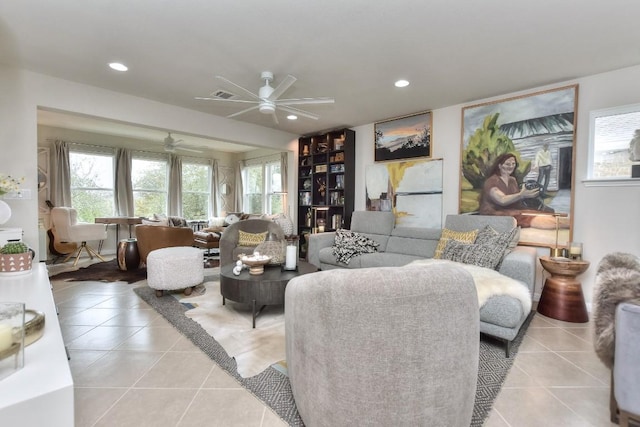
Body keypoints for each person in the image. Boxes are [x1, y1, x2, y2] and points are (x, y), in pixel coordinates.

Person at [479, 153, 557, 228]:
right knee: (539, 218)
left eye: (513, 164)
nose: (511, 166)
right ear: (499, 166)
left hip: (511, 211)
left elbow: (516, 201)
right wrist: (521, 195)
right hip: (494, 214)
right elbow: (502, 200)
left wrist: (531, 203)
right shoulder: (492, 181)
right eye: (508, 164)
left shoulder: (512, 180)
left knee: (547, 212)